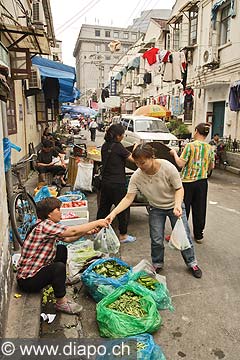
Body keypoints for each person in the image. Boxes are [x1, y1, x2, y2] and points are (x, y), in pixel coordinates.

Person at [106, 144, 202, 278]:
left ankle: (192, 262)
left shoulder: (167, 167)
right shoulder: (137, 176)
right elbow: (128, 198)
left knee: (183, 235)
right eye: (137, 163)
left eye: (143, 162)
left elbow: (179, 188)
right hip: (156, 208)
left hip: (175, 206)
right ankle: (157, 263)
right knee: (156, 239)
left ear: (152, 157)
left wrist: (178, 205)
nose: (140, 166)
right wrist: (113, 213)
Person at [17, 197, 108, 315]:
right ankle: (61, 302)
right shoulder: (45, 226)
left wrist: (85, 232)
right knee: (58, 267)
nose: (61, 212)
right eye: (58, 210)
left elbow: (68, 238)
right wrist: (97, 222)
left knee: (61, 249)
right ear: (49, 214)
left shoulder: (45, 224)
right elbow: (72, 231)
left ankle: (61, 281)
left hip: (35, 272)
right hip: (28, 281)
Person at [170, 123, 215, 243]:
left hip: (187, 182)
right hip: (202, 182)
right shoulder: (210, 148)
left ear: (196, 131)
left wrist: (174, 154)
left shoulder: (190, 146)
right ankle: (199, 235)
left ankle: (179, 235)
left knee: (183, 208)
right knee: (200, 208)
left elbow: (180, 164)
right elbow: (212, 166)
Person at [97, 124, 136, 243]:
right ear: (118, 136)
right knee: (122, 209)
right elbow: (134, 159)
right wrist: (135, 148)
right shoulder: (118, 147)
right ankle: (123, 235)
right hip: (118, 183)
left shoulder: (105, 146)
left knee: (104, 207)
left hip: (105, 182)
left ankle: (99, 231)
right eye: (122, 135)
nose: (123, 137)